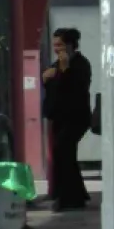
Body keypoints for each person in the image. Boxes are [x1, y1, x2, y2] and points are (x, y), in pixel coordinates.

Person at [42, 27, 93, 212]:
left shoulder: (80, 64)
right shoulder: (56, 65)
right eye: (55, 45)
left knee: (63, 150)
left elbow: (73, 88)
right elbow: (52, 87)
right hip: (59, 117)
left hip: (75, 117)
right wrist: (46, 78)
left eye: (60, 44)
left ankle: (68, 197)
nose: (57, 48)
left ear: (71, 45)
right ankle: (75, 195)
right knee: (64, 154)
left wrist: (63, 71)